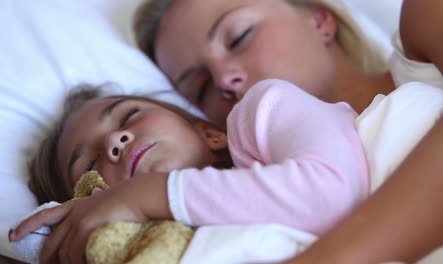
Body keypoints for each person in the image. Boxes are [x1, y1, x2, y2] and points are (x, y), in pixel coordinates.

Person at [131, 0, 443, 263]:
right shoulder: (257, 213)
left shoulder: (430, 22)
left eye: (238, 37)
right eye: (201, 87)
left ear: (320, 22)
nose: (223, 79)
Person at [10, 78, 368, 263]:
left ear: (210, 134)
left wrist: (144, 195)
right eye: (89, 165)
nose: (113, 142)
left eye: (129, 115)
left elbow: (330, 196)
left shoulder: (261, 114)